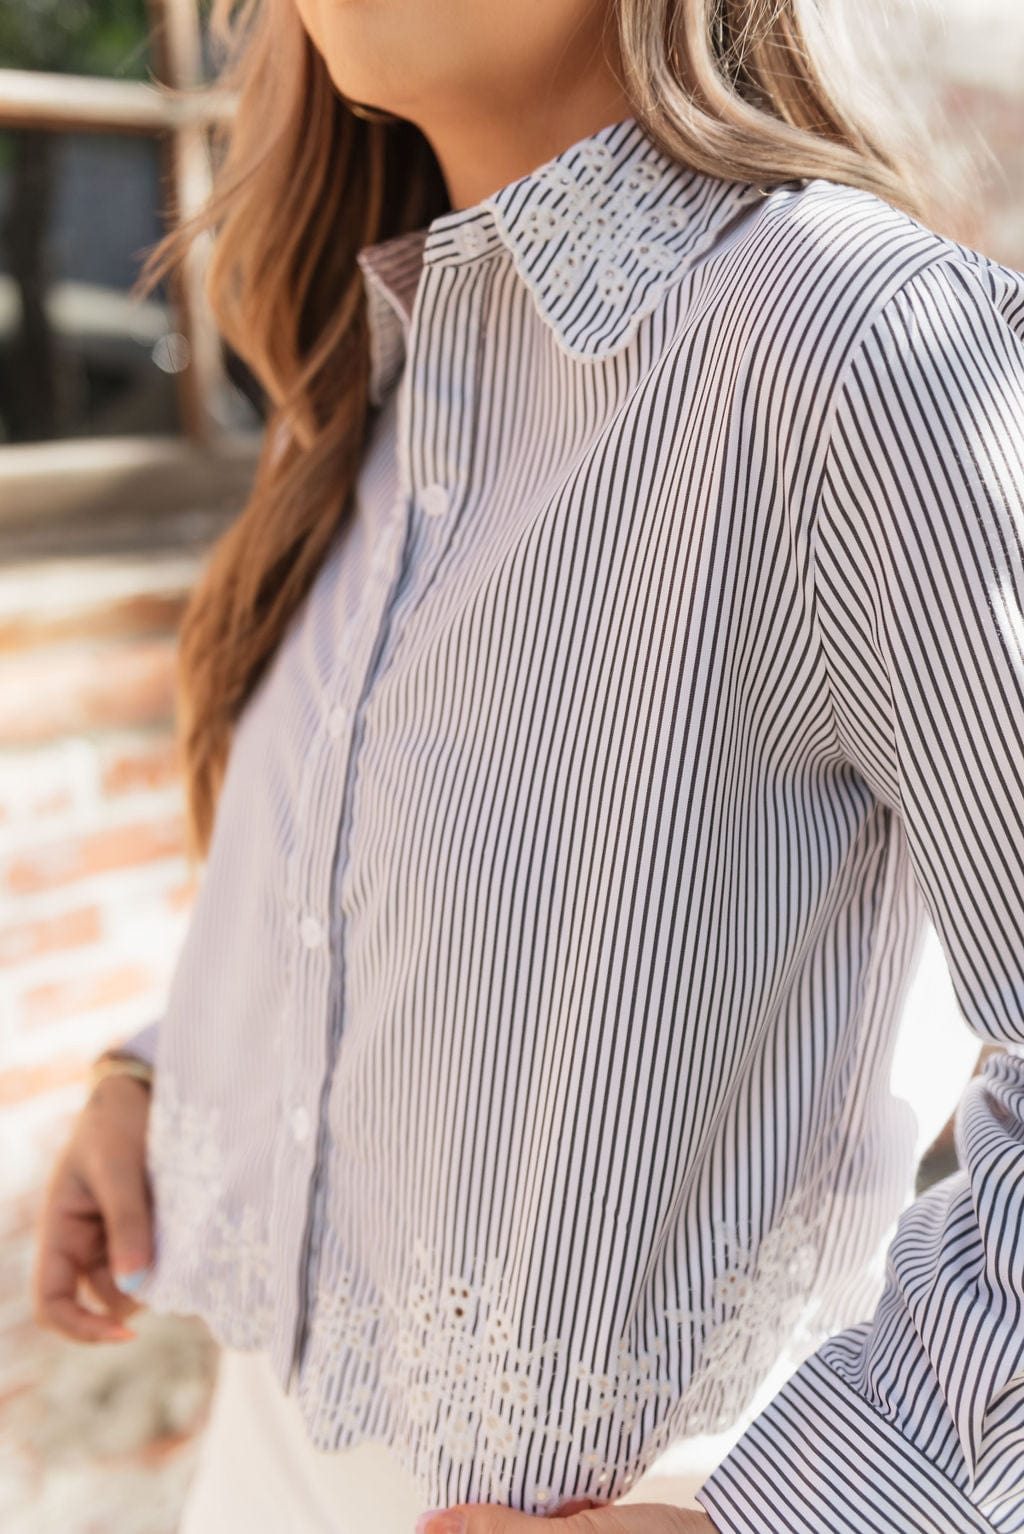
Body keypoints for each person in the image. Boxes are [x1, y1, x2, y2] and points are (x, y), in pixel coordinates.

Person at [31, 1, 1024, 1531]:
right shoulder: (388, 379)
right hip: (256, 1459)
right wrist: (166, 1067)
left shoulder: (852, 349)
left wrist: (812, 1509)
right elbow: (400, 882)